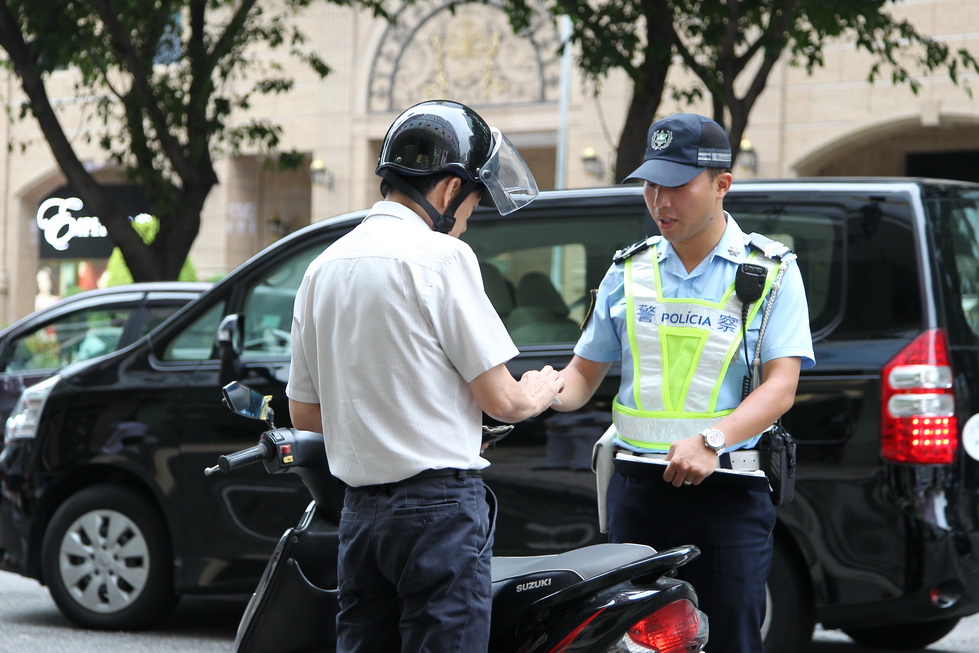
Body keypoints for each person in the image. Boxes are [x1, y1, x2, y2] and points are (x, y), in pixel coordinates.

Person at [286, 99, 564, 653]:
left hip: (360, 516)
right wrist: (539, 391)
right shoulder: (441, 257)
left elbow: (305, 414)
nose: (466, 221)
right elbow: (502, 401)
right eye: (471, 206)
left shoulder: (323, 267)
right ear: (448, 190)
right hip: (438, 511)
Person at [553, 113, 814, 653]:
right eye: (650, 183)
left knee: (728, 639)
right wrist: (527, 394)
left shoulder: (771, 271)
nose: (659, 200)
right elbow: (580, 378)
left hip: (727, 491)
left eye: (675, 185)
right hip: (637, 489)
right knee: (631, 645)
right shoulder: (628, 270)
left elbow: (780, 386)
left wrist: (711, 441)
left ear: (722, 185)